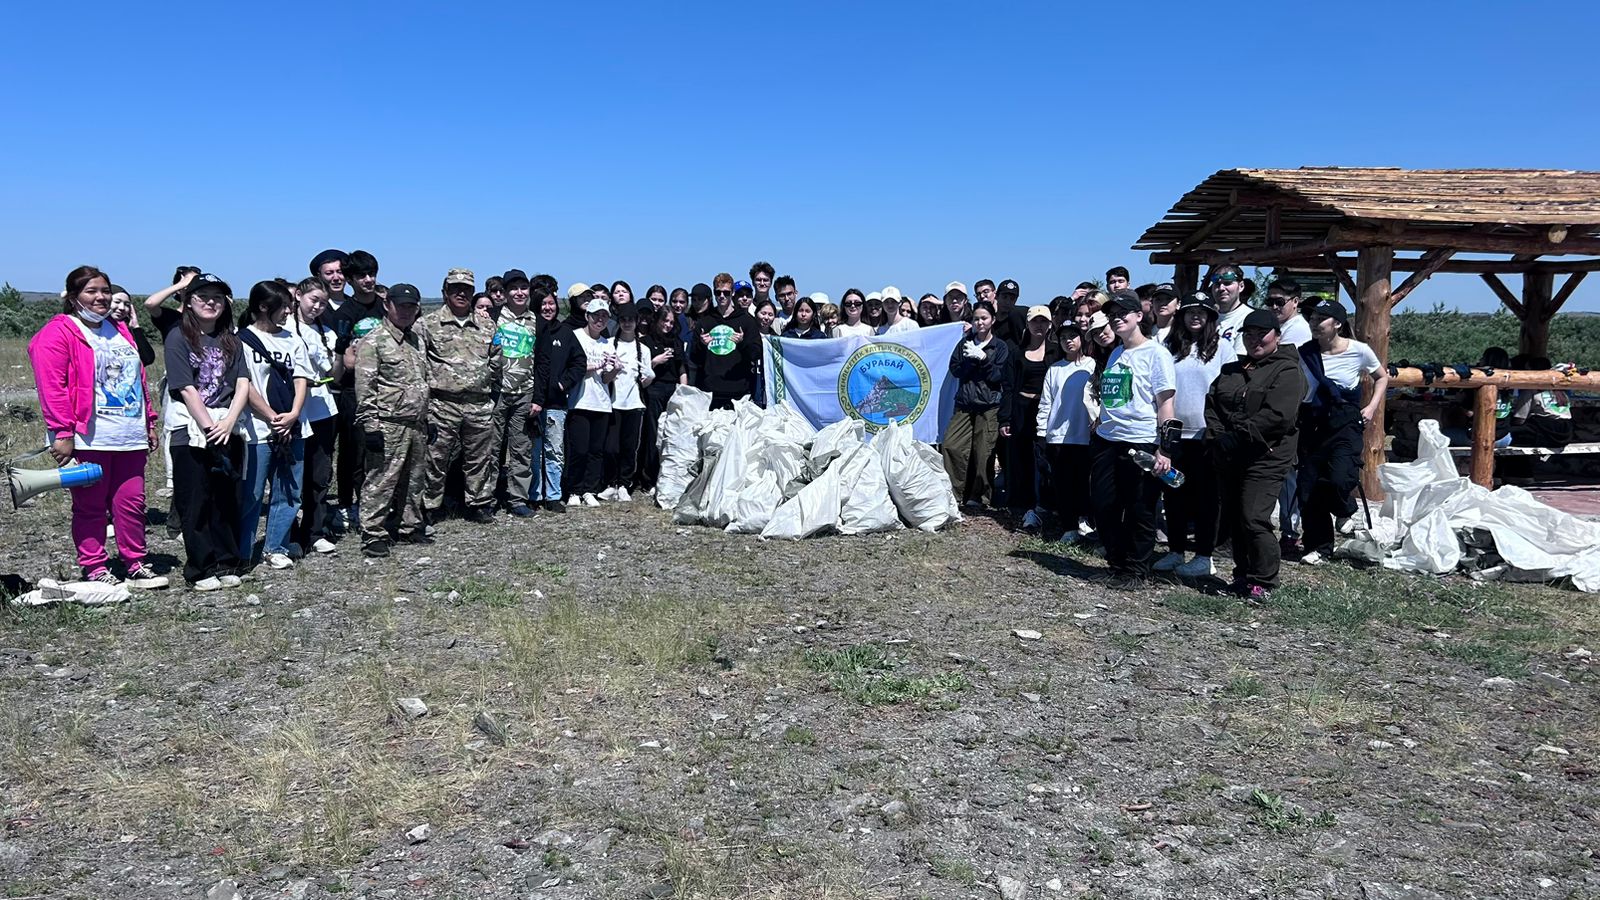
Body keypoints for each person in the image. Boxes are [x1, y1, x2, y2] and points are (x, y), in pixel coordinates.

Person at [28, 266, 166, 589]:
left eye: (105, 291)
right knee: (90, 505)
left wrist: (149, 421)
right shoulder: (61, 331)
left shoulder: (120, 329)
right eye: (92, 291)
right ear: (74, 296)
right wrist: (61, 431)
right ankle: (95, 566)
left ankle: (135, 562)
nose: (101, 297)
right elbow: (52, 384)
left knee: (131, 502)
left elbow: (138, 378)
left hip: (128, 435)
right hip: (89, 436)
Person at [1205, 309, 1306, 599]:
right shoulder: (1233, 369)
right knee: (1236, 517)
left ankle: (1263, 579)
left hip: (1266, 455)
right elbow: (1213, 403)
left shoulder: (1288, 370)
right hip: (1230, 454)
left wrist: (1238, 436)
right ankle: (1242, 574)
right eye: (1248, 334)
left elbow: (1279, 416)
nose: (1254, 340)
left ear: (1277, 335)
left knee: (1253, 516)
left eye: (1261, 334)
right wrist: (1218, 436)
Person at [164, 273, 251, 590]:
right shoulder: (178, 338)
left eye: (217, 297)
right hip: (191, 428)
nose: (210, 302)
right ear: (188, 302)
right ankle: (201, 567)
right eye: (203, 296)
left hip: (228, 425)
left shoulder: (232, 340)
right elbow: (185, 388)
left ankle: (227, 560)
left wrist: (229, 420)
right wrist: (209, 426)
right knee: (196, 500)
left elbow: (243, 382)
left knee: (226, 498)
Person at [1087, 290, 1177, 583]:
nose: (1117, 319)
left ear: (1139, 316)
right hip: (1107, 440)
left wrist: (1165, 449)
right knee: (1104, 504)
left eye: (1123, 313)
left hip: (1140, 440)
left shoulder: (1156, 354)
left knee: (1139, 508)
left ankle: (1136, 570)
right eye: (1112, 315)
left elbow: (1166, 404)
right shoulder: (1116, 353)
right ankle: (1116, 564)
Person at [1295, 299, 1388, 566]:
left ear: (1337, 323)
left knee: (1339, 475)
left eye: (1320, 319)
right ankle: (1319, 547)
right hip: (1313, 420)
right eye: (1312, 319)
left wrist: (1370, 407)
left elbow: (1382, 377)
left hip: (1345, 421)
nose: (1314, 324)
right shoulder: (1306, 353)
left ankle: (1345, 509)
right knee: (1309, 486)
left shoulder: (1359, 350)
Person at [237, 281, 313, 570]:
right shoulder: (241, 339)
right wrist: (271, 416)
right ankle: (243, 550)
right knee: (252, 494)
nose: (288, 313)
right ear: (263, 307)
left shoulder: (293, 340)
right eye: (284, 307)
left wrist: (293, 413)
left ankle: (276, 546)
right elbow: (243, 384)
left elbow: (301, 378)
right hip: (257, 430)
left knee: (289, 491)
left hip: (293, 428)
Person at [353, 283, 431, 558]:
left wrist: (427, 416)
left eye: (412, 307)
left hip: (417, 422)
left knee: (414, 480)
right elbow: (365, 387)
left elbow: (421, 380)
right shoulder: (374, 341)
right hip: (388, 423)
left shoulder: (416, 339)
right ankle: (373, 532)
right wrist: (370, 425)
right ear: (387, 305)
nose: (406, 312)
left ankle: (409, 526)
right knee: (381, 480)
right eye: (401, 306)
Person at [1153, 292, 1227, 578]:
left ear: (1210, 317)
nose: (1195, 316)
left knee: (1207, 497)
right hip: (1175, 434)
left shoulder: (1222, 347)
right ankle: (1175, 550)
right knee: (1174, 494)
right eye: (1190, 311)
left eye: (1202, 312)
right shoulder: (1169, 346)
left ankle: (1204, 554)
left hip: (1207, 434)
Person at [423, 268, 502, 524]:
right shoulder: (428, 324)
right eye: (455, 288)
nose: (461, 293)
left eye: (466, 289)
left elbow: (496, 360)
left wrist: (479, 379)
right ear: (444, 291)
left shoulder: (487, 325)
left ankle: (478, 503)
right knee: (435, 458)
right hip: (442, 403)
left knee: (479, 458)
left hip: (478, 404)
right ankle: (430, 506)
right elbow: (420, 362)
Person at [288, 277, 342, 555]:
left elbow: (335, 374)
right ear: (298, 296)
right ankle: (289, 532)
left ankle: (315, 530)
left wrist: (342, 352)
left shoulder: (327, 332)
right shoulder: (284, 329)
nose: (318, 307)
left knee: (319, 474)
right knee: (292, 475)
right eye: (314, 300)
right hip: (293, 412)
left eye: (323, 303)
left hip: (322, 409)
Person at [944, 302, 1010, 509]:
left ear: (992, 320)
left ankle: (980, 497)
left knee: (983, 453)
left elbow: (998, 376)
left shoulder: (999, 347)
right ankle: (953, 495)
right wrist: (970, 360)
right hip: (964, 404)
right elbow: (955, 369)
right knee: (951, 445)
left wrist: (983, 359)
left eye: (984, 318)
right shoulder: (964, 344)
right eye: (976, 318)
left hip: (989, 406)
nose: (979, 322)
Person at [1036, 321, 1098, 544]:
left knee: (1085, 482)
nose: (1068, 341)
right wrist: (1042, 432)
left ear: (1082, 339)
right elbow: (1046, 403)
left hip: (1086, 435)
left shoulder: (1092, 365)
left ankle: (1086, 521)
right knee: (1063, 483)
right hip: (1059, 436)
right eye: (1063, 338)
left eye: (1073, 336)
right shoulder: (1055, 369)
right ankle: (1069, 526)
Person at [530, 284, 586, 511]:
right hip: (531, 401)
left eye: (551, 303)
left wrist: (563, 383)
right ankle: (534, 494)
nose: (548, 308)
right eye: (543, 304)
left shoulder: (565, 333)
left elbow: (579, 362)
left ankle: (553, 496)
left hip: (556, 403)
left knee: (554, 451)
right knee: (533, 453)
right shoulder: (530, 329)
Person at [491, 273, 542, 516]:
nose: (520, 293)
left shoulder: (535, 319)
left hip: (525, 392)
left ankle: (517, 499)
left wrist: (537, 397)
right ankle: (486, 498)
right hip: (496, 392)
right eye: (514, 289)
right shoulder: (491, 316)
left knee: (521, 449)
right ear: (505, 292)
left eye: (524, 288)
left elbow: (542, 360)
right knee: (491, 448)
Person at [1004, 306, 1054, 530]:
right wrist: (1005, 418)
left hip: (1047, 410)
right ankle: (1023, 504)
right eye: (1035, 322)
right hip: (1021, 409)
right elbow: (1007, 387)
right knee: (1021, 456)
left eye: (1044, 322)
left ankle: (1044, 503)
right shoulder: (1016, 353)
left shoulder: (1056, 352)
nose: (1039, 326)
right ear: (1028, 324)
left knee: (1043, 458)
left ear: (1050, 325)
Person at [602, 302, 654, 501]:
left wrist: (650, 376)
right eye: (623, 319)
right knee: (611, 447)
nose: (627, 323)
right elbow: (605, 378)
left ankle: (625, 483)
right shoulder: (608, 344)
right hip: (613, 402)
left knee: (630, 447)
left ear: (637, 321)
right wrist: (614, 369)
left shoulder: (644, 350)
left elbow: (646, 382)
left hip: (635, 404)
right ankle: (610, 482)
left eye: (630, 319)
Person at [567, 298, 616, 507]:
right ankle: (573, 490)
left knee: (596, 450)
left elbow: (606, 378)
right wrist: (594, 365)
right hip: (579, 401)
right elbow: (571, 366)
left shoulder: (608, 342)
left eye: (604, 316)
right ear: (587, 316)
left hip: (601, 402)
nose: (600, 320)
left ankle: (590, 489)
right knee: (579, 449)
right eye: (596, 315)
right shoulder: (575, 337)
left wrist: (614, 369)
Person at [688, 273, 759, 409]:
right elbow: (694, 358)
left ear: (732, 293)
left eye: (726, 292)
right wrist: (702, 346)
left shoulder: (746, 321)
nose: (721, 296)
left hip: (739, 392)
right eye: (718, 292)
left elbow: (756, 354)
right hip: (709, 392)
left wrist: (742, 343)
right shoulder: (705, 321)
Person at [639, 304, 686, 493]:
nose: (667, 325)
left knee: (671, 434)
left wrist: (684, 390)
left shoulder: (676, 341)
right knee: (652, 433)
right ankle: (648, 479)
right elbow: (641, 369)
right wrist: (655, 361)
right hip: (654, 389)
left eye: (671, 322)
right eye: (664, 321)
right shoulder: (647, 342)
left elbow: (682, 368)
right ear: (657, 321)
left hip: (673, 390)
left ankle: (667, 477)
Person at [1510, 355, 1572, 448]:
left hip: (1544, 433)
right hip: (1566, 432)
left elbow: (1520, 419)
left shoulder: (1530, 390)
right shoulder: (1560, 391)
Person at [1206, 264, 1254, 357]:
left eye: (1227, 283)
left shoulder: (1249, 318)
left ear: (1241, 286)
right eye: (1217, 284)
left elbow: (1238, 359)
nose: (1221, 288)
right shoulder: (1207, 318)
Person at [1266, 279, 1313, 347]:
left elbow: (1280, 357)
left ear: (1295, 302)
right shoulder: (1280, 325)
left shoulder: (1298, 329)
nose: (1274, 306)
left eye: (1279, 302)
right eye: (1270, 301)